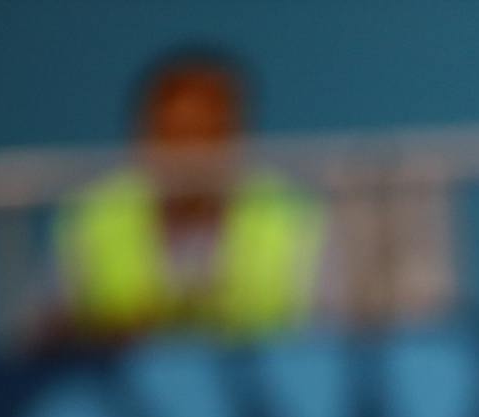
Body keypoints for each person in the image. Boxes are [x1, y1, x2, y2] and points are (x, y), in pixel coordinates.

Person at [54, 49, 327, 341]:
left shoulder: (292, 215)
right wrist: (115, 330)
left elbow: (332, 333)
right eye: (173, 136)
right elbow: (44, 332)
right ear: (142, 136)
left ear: (238, 135)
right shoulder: (96, 213)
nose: (189, 156)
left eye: (207, 135)